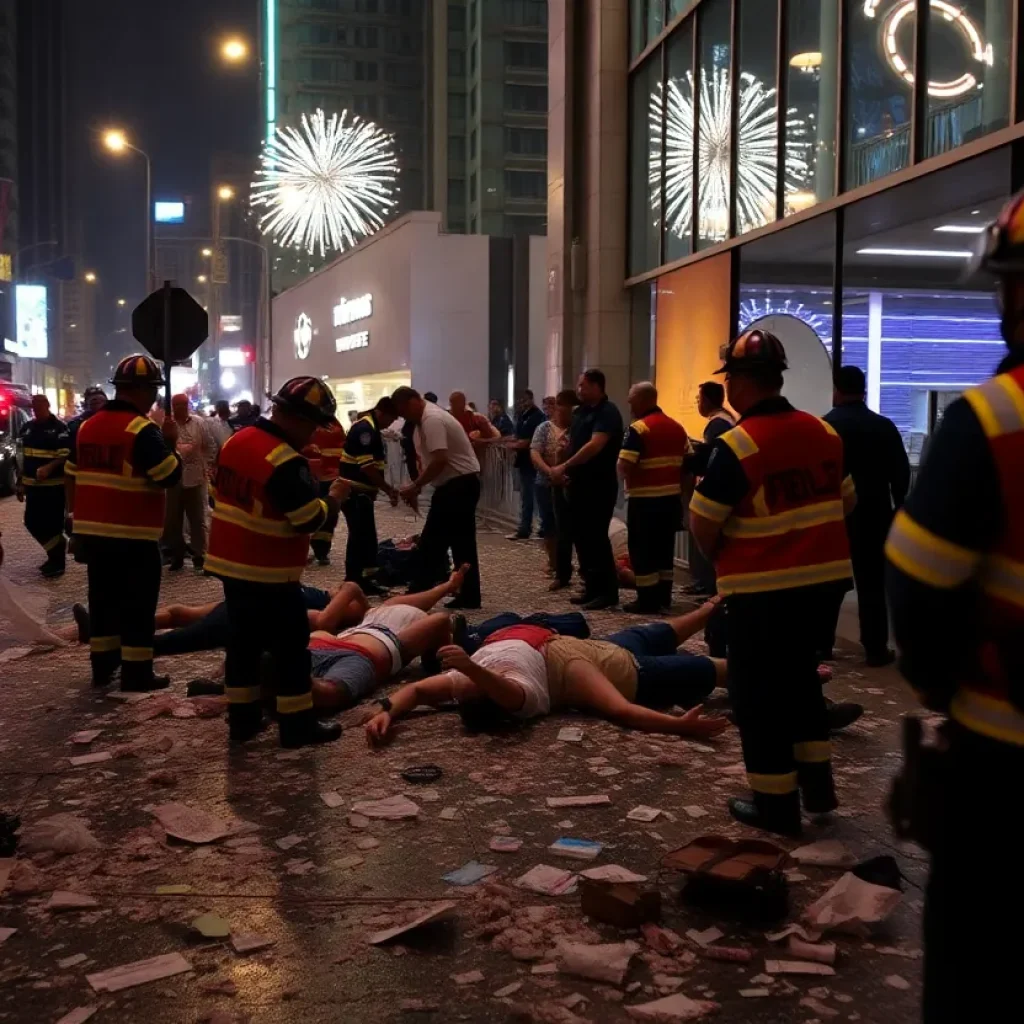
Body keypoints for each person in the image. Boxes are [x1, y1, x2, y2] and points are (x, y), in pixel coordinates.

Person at [885, 194, 1024, 1024]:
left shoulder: (994, 421)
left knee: (980, 963)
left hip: (1005, 756)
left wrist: (938, 687)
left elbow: (918, 581)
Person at [688, 329, 856, 837]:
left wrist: (731, 553)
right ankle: (818, 790)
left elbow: (702, 522)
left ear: (739, 383)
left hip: (764, 592)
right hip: (824, 588)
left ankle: (776, 806)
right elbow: (847, 500)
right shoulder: (824, 434)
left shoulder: (737, 445)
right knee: (803, 685)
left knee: (757, 698)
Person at [207, 376, 351, 747]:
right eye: (313, 427)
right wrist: (333, 497)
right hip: (269, 571)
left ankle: (243, 720)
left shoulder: (238, 441)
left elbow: (216, 496)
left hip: (230, 564)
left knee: (242, 645)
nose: (314, 438)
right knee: (291, 649)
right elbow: (308, 519)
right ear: (299, 419)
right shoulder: (285, 460)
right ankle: (297, 725)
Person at [364, 601, 728, 744]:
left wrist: (385, 710)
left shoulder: (472, 682)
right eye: (480, 683)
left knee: (664, 629)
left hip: (594, 645)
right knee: (713, 670)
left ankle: (715, 605)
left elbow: (418, 693)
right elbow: (621, 711)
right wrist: (680, 727)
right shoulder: (532, 688)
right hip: (625, 669)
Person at [64, 354, 182, 692]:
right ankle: (137, 673)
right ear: (143, 391)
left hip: (95, 534)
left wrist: (73, 518)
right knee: (138, 607)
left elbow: (71, 474)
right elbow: (168, 476)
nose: (155, 398)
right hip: (132, 534)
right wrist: (171, 444)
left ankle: (102, 669)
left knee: (102, 604)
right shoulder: (143, 430)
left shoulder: (88, 426)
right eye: (153, 391)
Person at [822, 365, 910, 667]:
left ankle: (821, 645)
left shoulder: (825, 428)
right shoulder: (884, 426)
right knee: (872, 583)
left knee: (830, 582)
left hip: (833, 517)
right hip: (875, 514)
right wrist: (899, 507)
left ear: (836, 390)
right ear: (864, 391)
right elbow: (900, 475)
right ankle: (874, 647)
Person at [392, 386, 483, 609]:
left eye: (404, 411)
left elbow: (440, 459)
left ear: (413, 401)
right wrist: (418, 487)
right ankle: (468, 594)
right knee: (460, 543)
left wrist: (415, 486)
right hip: (456, 484)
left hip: (458, 485)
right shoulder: (424, 421)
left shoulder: (432, 419)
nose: (405, 417)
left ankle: (418, 592)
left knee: (433, 541)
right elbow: (431, 461)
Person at [549, 369, 624, 611]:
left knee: (596, 538)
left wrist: (566, 465)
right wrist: (565, 462)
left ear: (597, 386)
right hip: (578, 485)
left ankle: (607, 591)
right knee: (581, 538)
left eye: (583, 386)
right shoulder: (581, 412)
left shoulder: (608, 412)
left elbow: (595, 445)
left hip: (598, 485)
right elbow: (573, 442)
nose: (579, 390)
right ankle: (591, 586)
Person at [618, 382, 689, 614]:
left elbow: (624, 464)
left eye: (631, 400)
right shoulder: (677, 427)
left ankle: (647, 600)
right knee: (664, 551)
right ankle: (663, 597)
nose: (629, 405)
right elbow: (689, 466)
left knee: (642, 551)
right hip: (671, 501)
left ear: (641, 400)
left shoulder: (639, 429)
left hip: (644, 501)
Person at [338, 397, 400, 592]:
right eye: (390, 419)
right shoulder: (365, 429)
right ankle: (355, 580)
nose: (390, 424)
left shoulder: (370, 427)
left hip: (360, 492)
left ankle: (361, 579)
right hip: (355, 491)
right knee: (359, 536)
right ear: (382, 412)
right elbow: (367, 467)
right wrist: (388, 489)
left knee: (364, 536)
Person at [684, 381, 735, 600]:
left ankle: (708, 586)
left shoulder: (718, 424)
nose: (697, 403)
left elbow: (714, 458)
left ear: (706, 400)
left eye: (698, 398)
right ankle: (703, 584)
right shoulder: (725, 419)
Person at [16, 394, 71, 577]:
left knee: (52, 525)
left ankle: (57, 563)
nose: (36, 408)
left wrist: (50, 467)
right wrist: (20, 483)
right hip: (32, 487)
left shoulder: (59, 428)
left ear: (47, 404)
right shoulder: (27, 428)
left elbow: (66, 455)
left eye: (39, 404)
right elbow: (20, 458)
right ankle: (56, 550)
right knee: (31, 522)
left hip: (53, 488)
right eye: (33, 405)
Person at [162, 393, 215, 572]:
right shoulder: (167, 425)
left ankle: (200, 556)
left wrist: (206, 466)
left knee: (198, 519)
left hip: (196, 478)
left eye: (184, 404)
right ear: (172, 406)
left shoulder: (199, 423)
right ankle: (177, 555)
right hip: (173, 480)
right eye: (177, 405)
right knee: (173, 520)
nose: (181, 408)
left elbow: (209, 446)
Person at [531, 389, 576, 583]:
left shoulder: (576, 428)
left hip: (569, 482)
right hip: (545, 482)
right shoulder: (544, 428)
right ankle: (553, 561)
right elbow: (535, 452)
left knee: (567, 526)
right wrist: (550, 472)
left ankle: (566, 564)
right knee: (548, 523)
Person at [304, 415, 347, 566]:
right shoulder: (336, 426)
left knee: (312, 513)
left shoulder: (307, 423)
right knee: (327, 515)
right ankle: (321, 552)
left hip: (313, 476)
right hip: (327, 476)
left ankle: (317, 551)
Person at [506, 389, 547, 541]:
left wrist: (516, 444)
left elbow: (529, 440)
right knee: (527, 497)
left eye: (524, 400)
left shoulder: (536, 417)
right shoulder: (523, 415)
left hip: (532, 463)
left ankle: (536, 528)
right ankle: (527, 526)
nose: (521, 403)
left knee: (535, 496)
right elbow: (518, 436)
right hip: (524, 462)